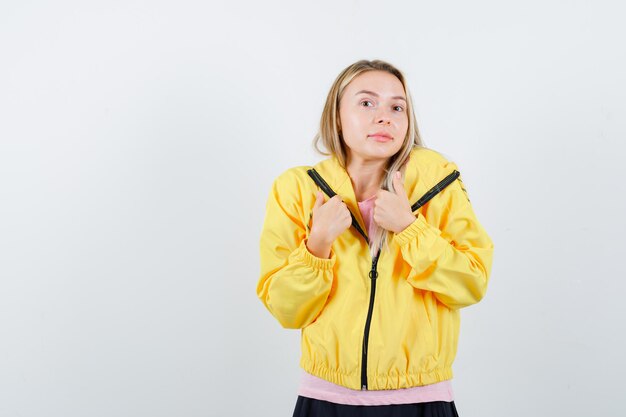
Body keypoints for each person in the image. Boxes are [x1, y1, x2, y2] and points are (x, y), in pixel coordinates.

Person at [256, 59, 494, 417]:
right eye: (367, 103)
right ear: (336, 116)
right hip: (326, 400)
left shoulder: (437, 181)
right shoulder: (297, 190)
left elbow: (471, 283)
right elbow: (286, 309)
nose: (385, 117)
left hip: (421, 400)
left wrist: (410, 229)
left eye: (397, 107)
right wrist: (317, 244)